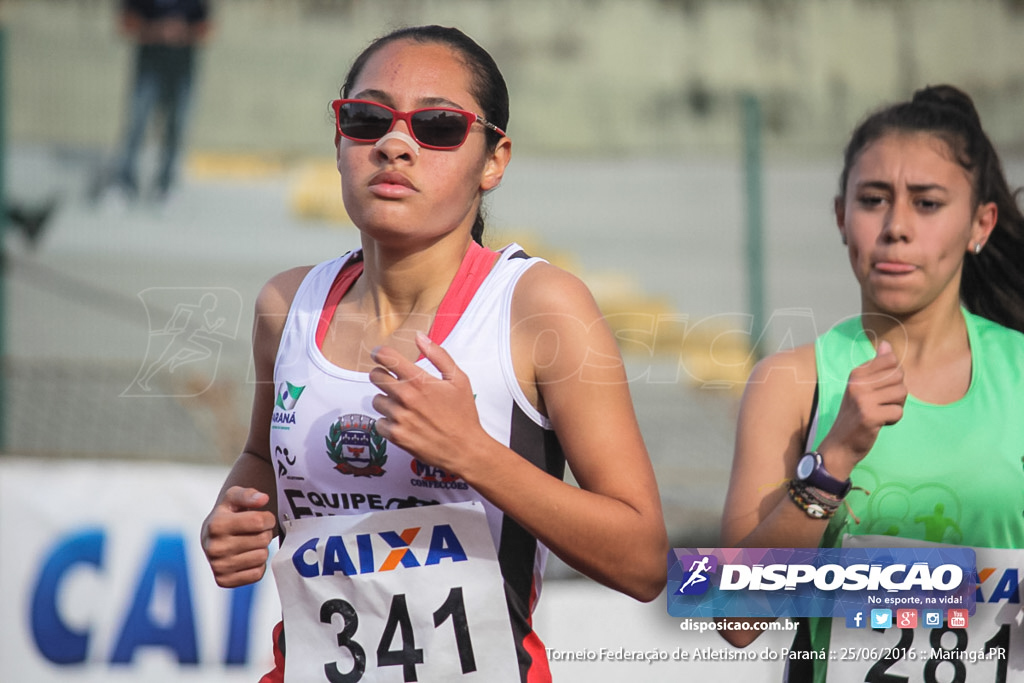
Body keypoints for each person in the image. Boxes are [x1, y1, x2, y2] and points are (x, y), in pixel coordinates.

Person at [200, 25, 668, 683]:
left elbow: (643, 560)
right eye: (367, 119)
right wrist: (235, 516)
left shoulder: (539, 306)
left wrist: (472, 453)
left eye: (438, 127)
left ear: (494, 160)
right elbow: (259, 462)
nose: (395, 144)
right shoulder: (287, 304)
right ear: (338, 141)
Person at [718, 84, 1024, 681]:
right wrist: (831, 463)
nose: (896, 227)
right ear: (841, 216)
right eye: (874, 199)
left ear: (979, 223)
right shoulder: (791, 381)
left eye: (928, 203)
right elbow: (732, 615)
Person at [91, 0, 212, 204]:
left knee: (176, 129)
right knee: (135, 127)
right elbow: (126, 24)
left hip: (182, 72)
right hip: (148, 70)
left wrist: (182, 31)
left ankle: (165, 186)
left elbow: (206, 29)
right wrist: (157, 30)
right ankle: (124, 183)